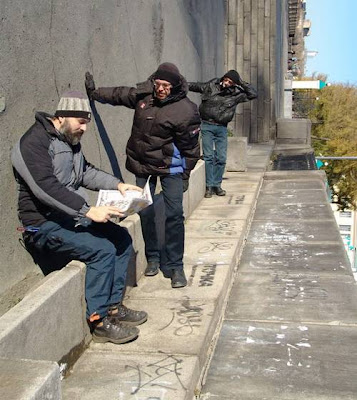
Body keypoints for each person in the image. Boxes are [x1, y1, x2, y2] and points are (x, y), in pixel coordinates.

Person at [11, 91, 148, 345]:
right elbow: (45, 187)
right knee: (102, 250)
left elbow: (84, 172)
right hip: (42, 224)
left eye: (86, 122)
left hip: (68, 216)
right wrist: (87, 210)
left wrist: (118, 185)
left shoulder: (69, 139)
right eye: (81, 122)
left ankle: (114, 307)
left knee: (121, 238)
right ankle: (98, 321)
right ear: (61, 116)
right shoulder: (33, 143)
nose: (84, 128)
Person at [85, 62, 201, 288]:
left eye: (166, 85)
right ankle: (154, 258)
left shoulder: (185, 110)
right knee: (145, 213)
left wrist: (186, 174)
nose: (160, 89)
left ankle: (176, 266)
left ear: (175, 85)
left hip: (171, 169)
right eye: (158, 84)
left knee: (174, 215)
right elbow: (120, 95)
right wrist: (95, 93)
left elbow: (191, 147)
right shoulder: (144, 96)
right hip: (144, 166)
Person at [188, 70, 257, 198]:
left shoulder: (236, 94)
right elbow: (194, 86)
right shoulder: (211, 86)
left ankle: (217, 185)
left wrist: (240, 82)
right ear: (223, 78)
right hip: (207, 125)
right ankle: (209, 187)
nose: (227, 83)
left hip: (221, 128)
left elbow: (253, 94)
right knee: (208, 156)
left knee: (221, 158)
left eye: (230, 82)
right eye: (226, 79)